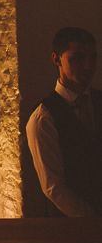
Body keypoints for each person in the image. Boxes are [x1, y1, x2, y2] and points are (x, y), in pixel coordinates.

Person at [26, 27, 100, 216]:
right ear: (56, 59)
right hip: (72, 227)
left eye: (93, 58)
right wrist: (92, 220)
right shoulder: (43, 118)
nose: (88, 66)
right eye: (77, 58)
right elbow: (54, 188)